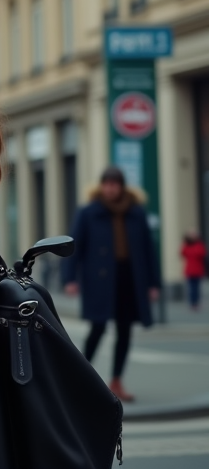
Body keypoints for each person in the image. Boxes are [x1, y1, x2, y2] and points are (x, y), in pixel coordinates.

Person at [63, 166, 162, 402]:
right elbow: (74, 246)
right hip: (100, 280)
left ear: (121, 186)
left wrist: (153, 283)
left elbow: (149, 250)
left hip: (130, 279)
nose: (111, 188)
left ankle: (117, 380)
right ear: (101, 186)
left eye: (115, 184)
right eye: (107, 184)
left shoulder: (136, 212)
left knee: (125, 330)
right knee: (97, 327)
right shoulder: (88, 212)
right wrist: (69, 278)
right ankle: (81, 377)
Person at [182, 232, 207, 312]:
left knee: (196, 288)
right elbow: (183, 253)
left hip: (197, 270)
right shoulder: (187, 245)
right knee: (191, 288)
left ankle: (196, 303)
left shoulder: (199, 245)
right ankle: (192, 303)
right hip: (190, 270)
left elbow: (202, 253)